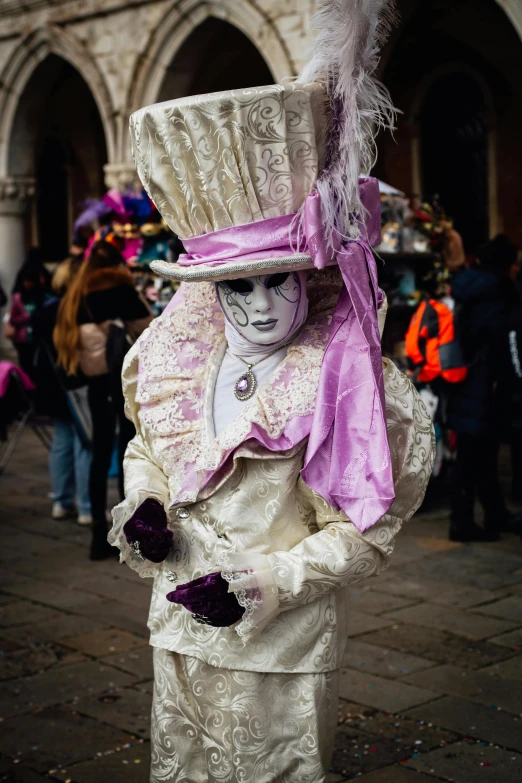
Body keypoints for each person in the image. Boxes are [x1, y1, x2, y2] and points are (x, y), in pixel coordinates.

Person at [109, 22, 434, 780]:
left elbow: (362, 533)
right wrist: (145, 504)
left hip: (282, 656)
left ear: (308, 277)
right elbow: (149, 448)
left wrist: (264, 582)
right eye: (237, 285)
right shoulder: (179, 363)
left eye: (276, 279)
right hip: (177, 636)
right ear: (211, 291)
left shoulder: (348, 384)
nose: (258, 306)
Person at [54, 240, 152, 559]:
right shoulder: (120, 289)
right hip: (120, 381)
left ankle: (98, 533)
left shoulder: (77, 294)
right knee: (128, 454)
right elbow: (148, 329)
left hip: (92, 384)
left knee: (98, 454)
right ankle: (129, 532)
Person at [448, 234, 521, 541]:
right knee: (472, 456)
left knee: (478, 454)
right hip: (485, 384)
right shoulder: (497, 294)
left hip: (466, 379)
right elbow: (505, 343)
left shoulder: (469, 287)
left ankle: (494, 514)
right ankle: (462, 524)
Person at [32, 255, 92, 523]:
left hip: (53, 385)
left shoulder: (45, 310)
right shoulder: (83, 308)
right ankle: (86, 507)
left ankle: (61, 500)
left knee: (62, 442)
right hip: (77, 384)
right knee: (84, 443)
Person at [7, 248, 51, 377]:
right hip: (24, 338)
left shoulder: (44, 296)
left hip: (38, 338)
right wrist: (27, 317)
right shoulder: (20, 297)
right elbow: (13, 317)